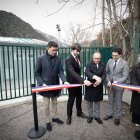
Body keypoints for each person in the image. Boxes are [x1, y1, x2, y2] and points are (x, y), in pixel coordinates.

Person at [34, 41, 69, 131]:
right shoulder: (40, 58)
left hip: (55, 86)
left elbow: (61, 71)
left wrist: (64, 81)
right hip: (45, 87)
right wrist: (42, 83)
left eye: (56, 50)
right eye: (53, 50)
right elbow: (37, 74)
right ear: (48, 48)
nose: (55, 52)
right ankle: (47, 121)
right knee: (46, 106)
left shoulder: (58, 59)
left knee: (55, 103)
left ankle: (55, 117)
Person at [65, 43, 91, 125]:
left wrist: (81, 81)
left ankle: (79, 113)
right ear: (72, 50)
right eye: (77, 51)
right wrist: (83, 80)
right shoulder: (68, 59)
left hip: (79, 83)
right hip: (72, 83)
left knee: (79, 98)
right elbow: (72, 72)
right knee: (71, 100)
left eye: (79, 51)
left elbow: (78, 70)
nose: (78, 53)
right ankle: (69, 116)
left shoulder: (78, 57)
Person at [103, 47, 129, 125]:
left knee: (118, 102)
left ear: (120, 55)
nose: (114, 57)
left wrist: (117, 81)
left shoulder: (124, 63)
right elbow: (106, 72)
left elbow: (125, 76)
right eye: (113, 55)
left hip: (119, 86)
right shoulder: (109, 61)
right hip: (110, 85)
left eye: (116, 55)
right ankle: (109, 114)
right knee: (110, 100)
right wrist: (107, 81)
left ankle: (117, 117)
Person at [85, 51, 106, 124]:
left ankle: (97, 116)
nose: (97, 60)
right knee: (89, 102)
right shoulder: (89, 64)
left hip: (98, 85)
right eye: (95, 58)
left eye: (98, 58)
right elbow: (87, 73)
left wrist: (100, 81)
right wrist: (95, 78)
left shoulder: (103, 64)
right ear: (92, 57)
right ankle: (90, 116)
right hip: (90, 85)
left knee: (97, 102)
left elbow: (104, 74)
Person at [130, 53, 140, 139]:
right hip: (138, 95)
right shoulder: (135, 68)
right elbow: (133, 79)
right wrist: (138, 88)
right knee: (138, 113)